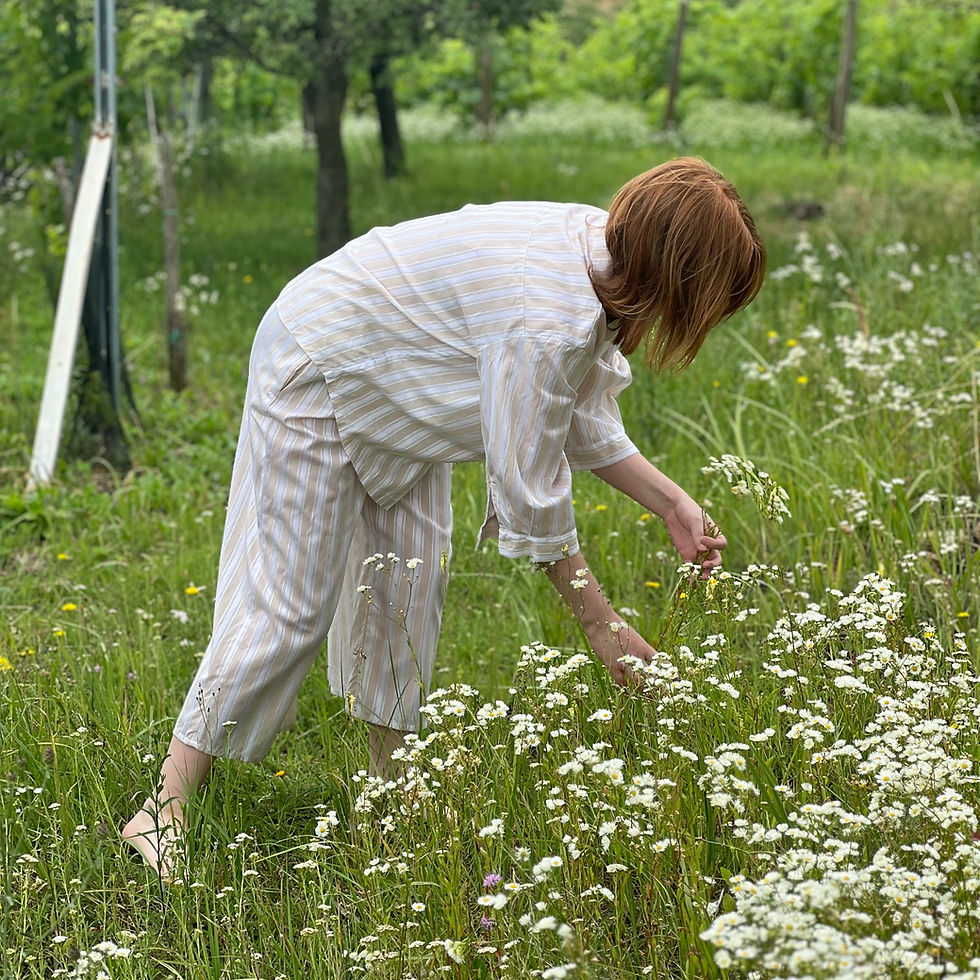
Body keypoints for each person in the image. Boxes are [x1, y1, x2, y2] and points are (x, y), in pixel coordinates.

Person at [123, 156, 766, 878]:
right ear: (674, 273)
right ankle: (164, 808)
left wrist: (672, 502)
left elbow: (569, 412)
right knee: (289, 604)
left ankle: (390, 793)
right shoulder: (547, 315)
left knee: (406, 588)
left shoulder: (603, 255)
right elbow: (531, 489)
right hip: (322, 363)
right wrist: (603, 628)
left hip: (406, 380)